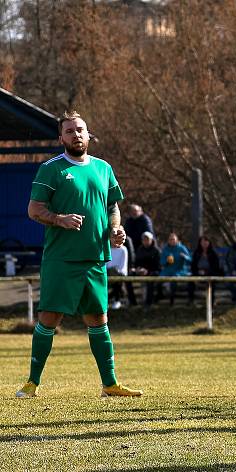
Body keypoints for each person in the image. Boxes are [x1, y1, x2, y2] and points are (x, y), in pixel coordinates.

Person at [16, 111, 142, 398]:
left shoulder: (103, 168)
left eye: (80, 130)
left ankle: (109, 385)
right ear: (61, 137)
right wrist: (59, 219)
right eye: (70, 131)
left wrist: (116, 229)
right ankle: (32, 383)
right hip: (62, 259)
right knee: (50, 318)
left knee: (99, 319)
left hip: (96, 258)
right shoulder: (51, 169)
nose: (76, 135)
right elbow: (34, 210)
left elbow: (112, 207)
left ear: (88, 134)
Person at [190, 236, 223, 304]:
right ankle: (190, 300)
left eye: (206, 241)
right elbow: (193, 266)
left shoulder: (214, 253)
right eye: (202, 242)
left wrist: (206, 272)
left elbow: (216, 267)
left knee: (211, 282)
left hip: (211, 273)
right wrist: (197, 272)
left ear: (209, 242)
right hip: (198, 273)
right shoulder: (197, 252)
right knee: (190, 281)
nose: (204, 243)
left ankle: (211, 302)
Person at [160, 232, 191, 305]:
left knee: (173, 280)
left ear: (177, 240)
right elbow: (161, 262)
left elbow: (190, 259)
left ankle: (172, 300)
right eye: (170, 240)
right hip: (167, 270)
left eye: (173, 239)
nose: (172, 241)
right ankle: (159, 297)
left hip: (179, 270)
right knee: (157, 280)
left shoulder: (182, 248)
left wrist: (184, 257)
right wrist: (167, 262)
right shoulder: (165, 249)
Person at [131, 231, 161, 306]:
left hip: (153, 272)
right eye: (144, 239)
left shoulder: (156, 251)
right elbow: (137, 262)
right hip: (141, 272)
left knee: (149, 281)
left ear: (151, 240)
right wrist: (137, 269)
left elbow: (158, 266)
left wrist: (147, 271)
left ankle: (148, 304)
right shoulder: (139, 249)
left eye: (147, 239)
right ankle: (133, 302)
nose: (145, 241)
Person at [106, 241, 129, 310]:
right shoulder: (107, 249)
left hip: (120, 273)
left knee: (116, 280)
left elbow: (123, 266)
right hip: (108, 272)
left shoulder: (123, 249)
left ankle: (117, 300)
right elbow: (106, 263)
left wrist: (118, 272)